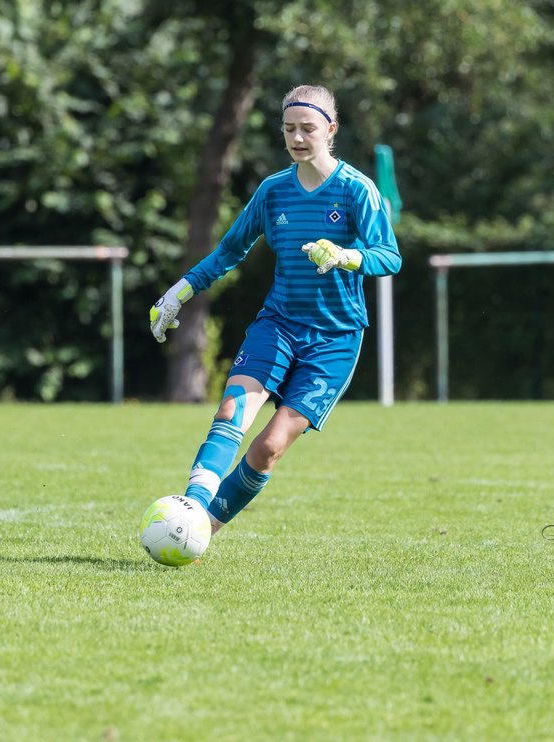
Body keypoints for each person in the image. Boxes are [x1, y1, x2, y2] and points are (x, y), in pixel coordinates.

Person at [150, 85, 401, 538]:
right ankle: (193, 505)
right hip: (279, 325)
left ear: (331, 129)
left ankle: (201, 528)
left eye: (308, 128)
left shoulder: (355, 189)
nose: (298, 137)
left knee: (268, 447)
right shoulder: (273, 192)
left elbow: (390, 255)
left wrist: (346, 256)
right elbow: (228, 252)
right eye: (290, 129)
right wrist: (178, 292)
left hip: (335, 340)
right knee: (231, 410)